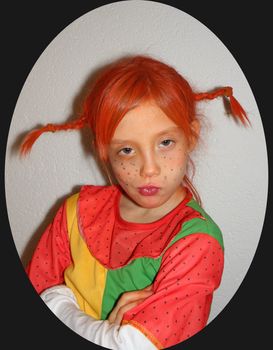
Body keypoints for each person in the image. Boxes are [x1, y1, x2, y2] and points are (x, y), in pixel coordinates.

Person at [21, 55, 249, 349]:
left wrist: (59, 306)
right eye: (127, 150)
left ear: (191, 136)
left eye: (165, 143)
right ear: (104, 152)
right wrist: (105, 331)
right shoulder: (75, 212)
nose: (149, 169)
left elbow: (133, 345)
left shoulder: (197, 242)